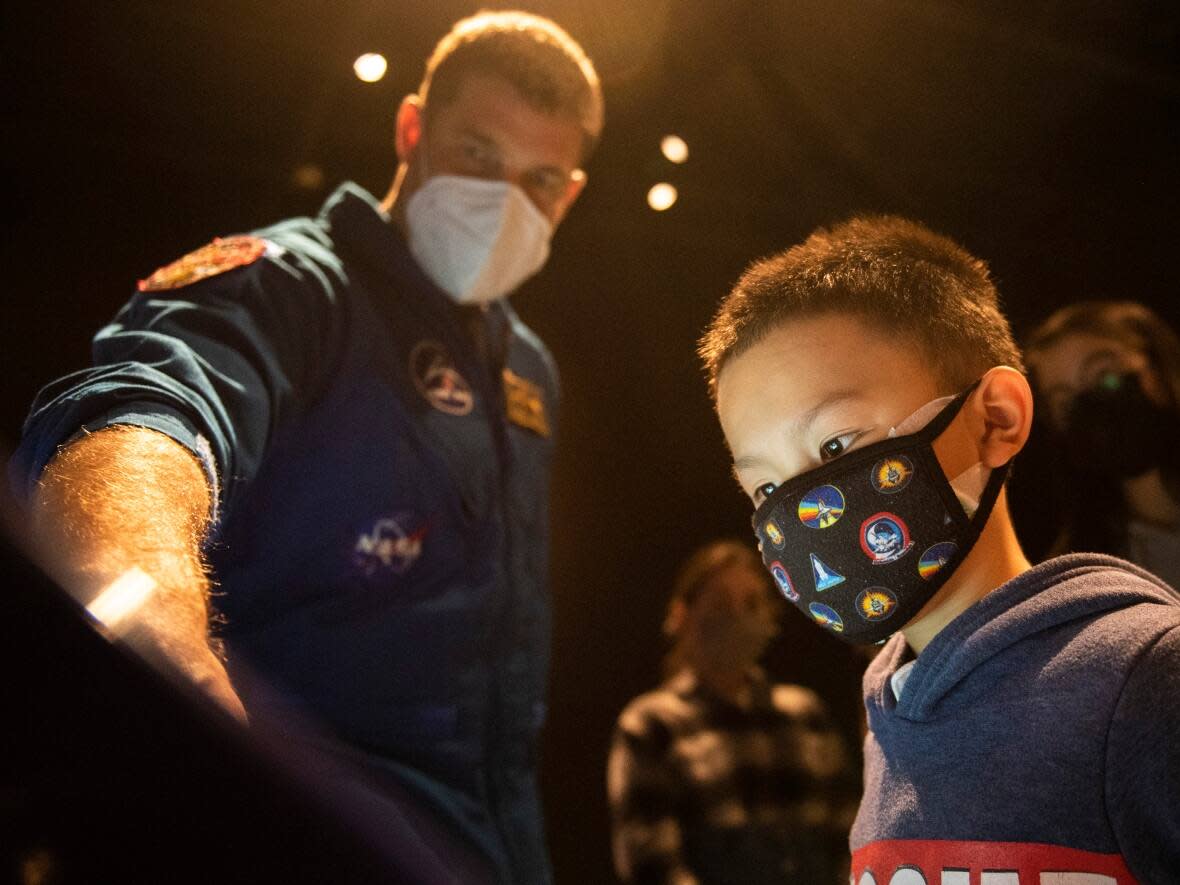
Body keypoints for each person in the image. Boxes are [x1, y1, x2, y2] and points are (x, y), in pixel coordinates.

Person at [10, 11, 603, 883]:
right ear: (411, 128)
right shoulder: (290, 285)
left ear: (572, 192)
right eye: (477, 153)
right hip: (310, 832)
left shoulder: (529, 366)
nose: (502, 198)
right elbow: (144, 411)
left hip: (496, 843)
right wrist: (151, 633)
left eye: (540, 177)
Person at [697, 216, 1180, 880]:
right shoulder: (891, 715)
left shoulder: (1148, 678)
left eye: (837, 445)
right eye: (767, 484)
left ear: (995, 419)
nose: (801, 507)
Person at [607, 540, 857, 885]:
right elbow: (652, 864)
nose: (739, 616)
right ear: (682, 615)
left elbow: (851, 834)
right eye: (721, 603)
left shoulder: (805, 714)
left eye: (753, 603)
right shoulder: (653, 724)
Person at [1023, 300, 1180, 585]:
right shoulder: (1084, 576)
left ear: (1156, 368)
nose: (1089, 406)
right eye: (1066, 402)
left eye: (1105, 377)